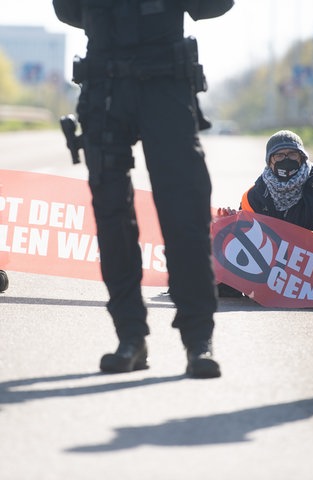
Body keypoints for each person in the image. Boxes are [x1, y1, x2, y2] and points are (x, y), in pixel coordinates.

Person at [52, 0, 234, 378]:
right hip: (104, 87)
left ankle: (199, 341)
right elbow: (66, 10)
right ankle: (130, 337)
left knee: (184, 211)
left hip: (166, 83)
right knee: (112, 214)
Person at [217, 129, 313, 297]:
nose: (286, 159)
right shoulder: (255, 195)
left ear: (302, 157)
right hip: (278, 265)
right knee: (223, 277)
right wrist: (232, 220)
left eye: (292, 154)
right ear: (270, 161)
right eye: (279, 156)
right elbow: (246, 237)